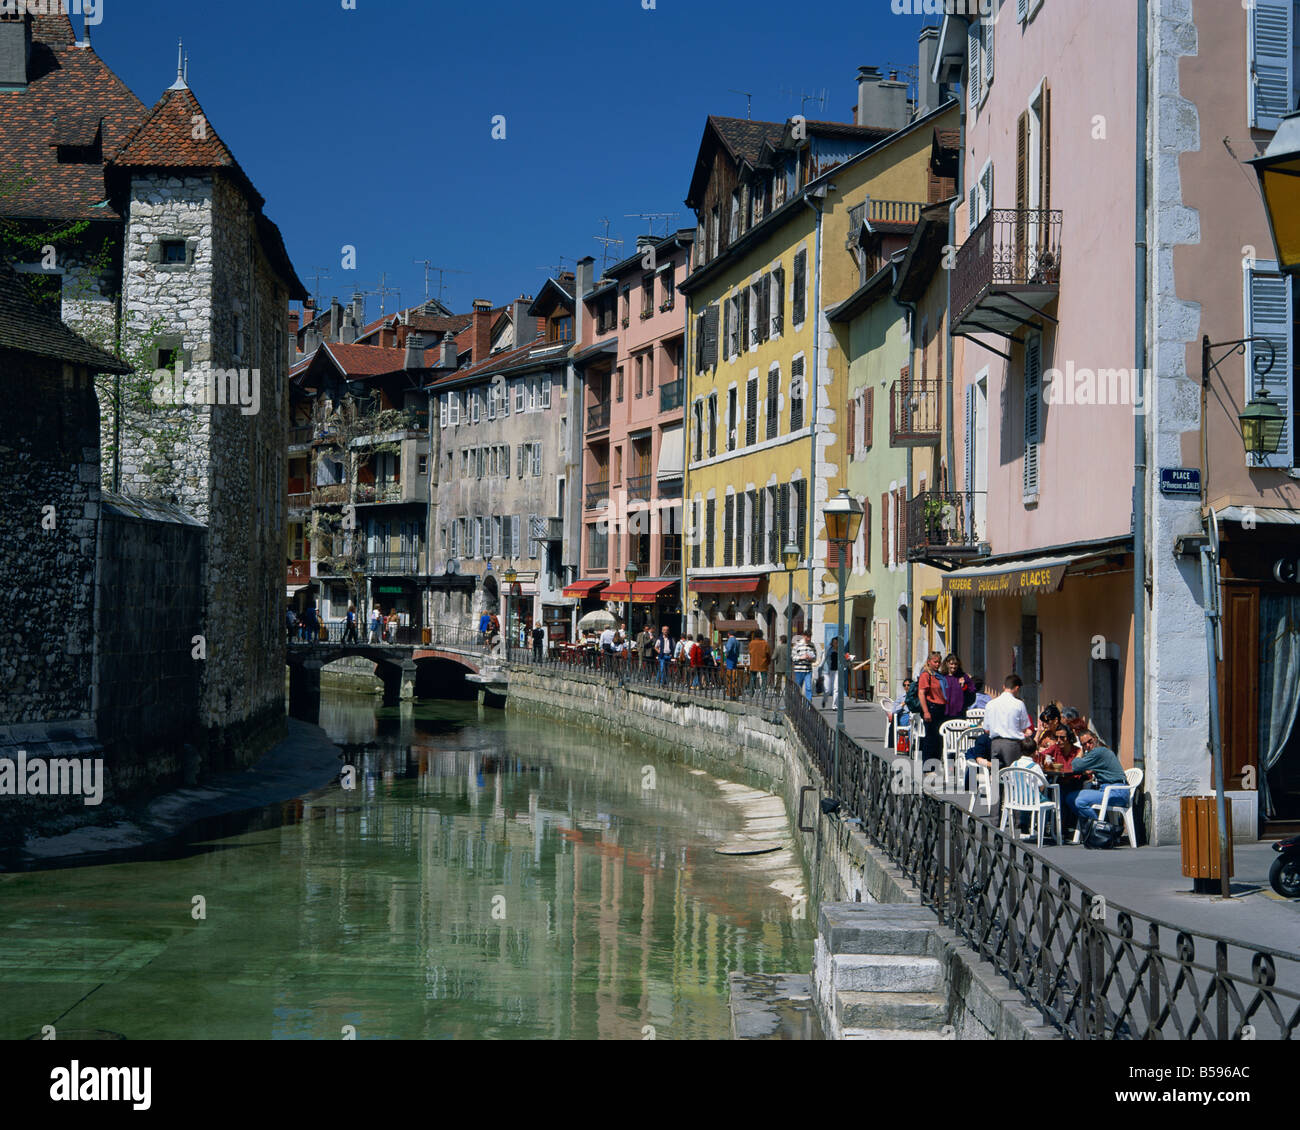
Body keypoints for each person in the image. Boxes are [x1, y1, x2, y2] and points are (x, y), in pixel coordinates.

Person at [1061, 727, 1130, 836]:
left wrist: (1080, 751)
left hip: (1117, 792)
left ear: (1095, 739)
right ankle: (1094, 827)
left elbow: (1075, 765)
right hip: (1107, 790)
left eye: (1090, 741)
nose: (1088, 745)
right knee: (1070, 798)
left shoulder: (1099, 752)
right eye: (1084, 744)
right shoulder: (1097, 752)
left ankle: (1102, 830)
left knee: (1079, 801)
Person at [982, 674, 1034, 771]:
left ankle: (994, 787)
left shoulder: (990, 704)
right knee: (1012, 776)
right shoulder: (1019, 704)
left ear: (1003, 686)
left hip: (995, 744)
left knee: (995, 776)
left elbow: (986, 730)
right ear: (1017, 688)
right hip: (1012, 745)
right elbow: (1024, 727)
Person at [917, 651, 947, 763]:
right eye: (935, 662)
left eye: (939, 662)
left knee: (939, 739)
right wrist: (926, 712)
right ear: (929, 662)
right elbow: (921, 693)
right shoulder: (926, 675)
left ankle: (936, 763)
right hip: (931, 708)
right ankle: (928, 766)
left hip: (941, 708)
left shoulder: (938, 675)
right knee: (931, 738)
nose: (937, 664)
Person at [940, 654, 975, 721]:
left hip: (960, 713)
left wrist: (964, 686)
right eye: (951, 664)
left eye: (955, 664)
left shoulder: (964, 677)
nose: (953, 666)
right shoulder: (942, 677)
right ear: (947, 664)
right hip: (945, 713)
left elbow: (972, 692)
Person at [792, 633, 818, 700]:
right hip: (799, 670)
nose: (808, 639)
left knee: (808, 688)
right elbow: (793, 657)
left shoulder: (812, 645)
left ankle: (808, 705)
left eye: (810, 637)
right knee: (798, 687)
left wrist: (811, 659)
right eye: (807, 637)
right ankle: (797, 702)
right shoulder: (797, 645)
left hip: (808, 670)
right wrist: (802, 657)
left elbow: (815, 658)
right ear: (803, 636)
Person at [821, 637, 842, 709]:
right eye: (834, 642)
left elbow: (844, 658)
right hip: (828, 671)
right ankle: (824, 699)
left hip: (837, 671)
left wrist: (849, 658)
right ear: (832, 643)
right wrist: (820, 667)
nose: (836, 644)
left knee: (836, 688)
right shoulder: (828, 650)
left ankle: (834, 705)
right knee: (827, 689)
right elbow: (823, 659)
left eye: (837, 643)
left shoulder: (840, 650)